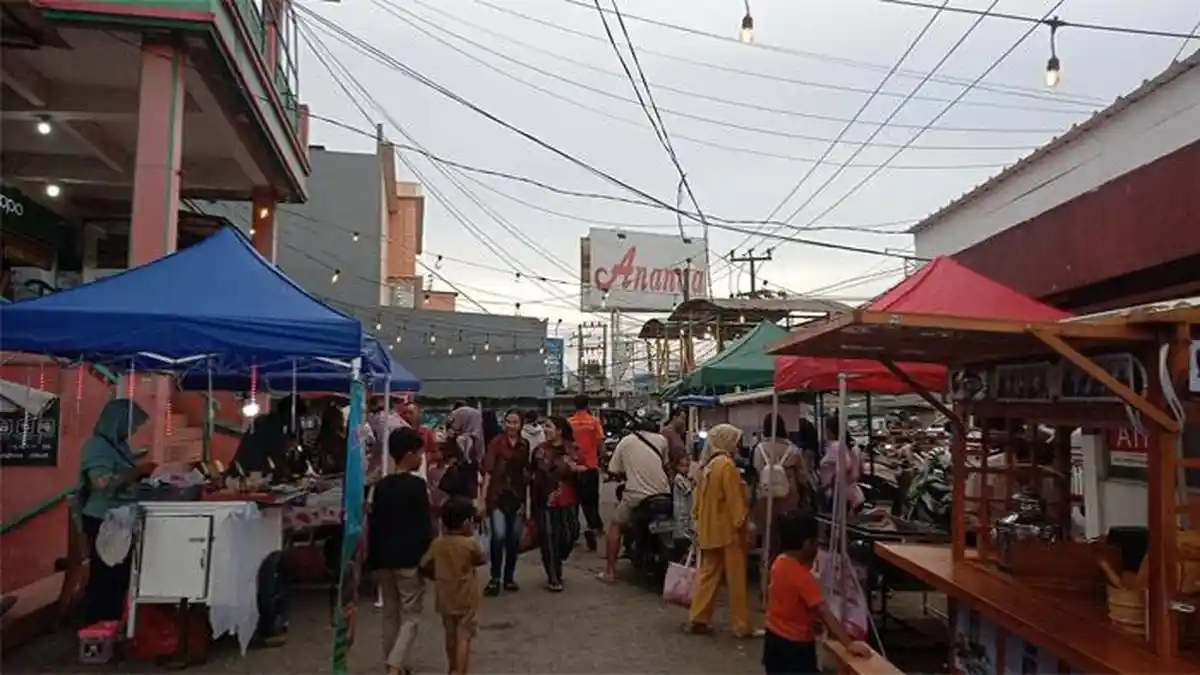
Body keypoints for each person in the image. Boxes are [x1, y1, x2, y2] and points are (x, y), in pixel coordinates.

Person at [764, 512, 871, 674]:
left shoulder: (778, 563)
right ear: (807, 544)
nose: (818, 549)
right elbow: (824, 611)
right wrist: (848, 643)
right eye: (817, 543)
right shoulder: (803, 577)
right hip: (796, 646)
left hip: (773, 638)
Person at [77, 398, 153, 623]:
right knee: (105, 575)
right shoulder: (96, 446)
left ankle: (112, 623)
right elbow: (101, 482)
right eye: (131, 425)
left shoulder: (119, 446)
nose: (133, 430)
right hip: (102, 518)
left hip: (119, 517)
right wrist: (136, 473)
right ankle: (95, 625)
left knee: (119, 575)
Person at [367, 427, 431, 675]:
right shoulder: (417, 487)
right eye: (419, 452)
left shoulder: (380, 486)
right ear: (408, 454)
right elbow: (423, 527)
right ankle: (395, 665)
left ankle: (396, 663)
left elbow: (374, 525)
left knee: (390, 615)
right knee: (411, 615)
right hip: (409, 560)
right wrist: (426, 558)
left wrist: (372, 561)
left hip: (383, 559)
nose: (421, 457)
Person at [686, 423, 759, 638]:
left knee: (708, 574)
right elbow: (734, 501)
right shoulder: (726, 466)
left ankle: (698, 617)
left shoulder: (707, 465)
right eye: (736, 441)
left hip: (709, 529)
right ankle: (741, 625)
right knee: (736, 579)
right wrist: (743, 524)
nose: (738, 446)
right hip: (728, 531)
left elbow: (698, 502)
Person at [598, 419, 669, 582]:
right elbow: (665, 464)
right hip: (664, 493)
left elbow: (613, 469)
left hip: (637, 495)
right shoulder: (661, 440)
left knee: (615, 526)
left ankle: (609, 572)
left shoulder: (626, 442)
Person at [421, 498, 485, 675]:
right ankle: (460, 671)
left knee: (450, 634)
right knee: (464, 636)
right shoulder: (469, 543)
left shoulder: (438, 543)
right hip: (466, 595)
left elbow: (424, 563)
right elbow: (481, 558)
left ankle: (452, 667)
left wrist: (436, 574)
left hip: (444, 595)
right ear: (466, 522)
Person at [479, 409, 530, 595]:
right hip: (497, 496)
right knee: (498, 536)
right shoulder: (496, 443)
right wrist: (482, 500)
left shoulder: (525, 445)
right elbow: (488, 472)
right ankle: (494, 578)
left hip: (517, 497)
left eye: (515, 422)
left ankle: (509, 577)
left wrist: (526, 503)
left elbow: (526, 475)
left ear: (521, 424)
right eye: (508, 421)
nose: (511, 426)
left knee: (514, 540)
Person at [530, 416, 584, 591]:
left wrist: (578, 470)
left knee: (570, 533)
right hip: (545, 499)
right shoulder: (539, 450)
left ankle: (557, 559)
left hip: (568, 498)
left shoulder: (572, 448)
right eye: (544, 426)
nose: (545, 430)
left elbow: (582, 468)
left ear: (559, 430)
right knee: (548, 537)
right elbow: (534, 474)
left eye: (548, 426)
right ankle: (553, 576)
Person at [754, 415, 812, 560]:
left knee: (769, 534)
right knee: (788, 534)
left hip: (765, 498)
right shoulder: (793, 450)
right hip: (789, 498)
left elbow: (756, 472)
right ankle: (786, 567)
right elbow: (803, 477)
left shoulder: (758, 449)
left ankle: (769, 568)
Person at [228, 396, 298, 480]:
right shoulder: (270, 425)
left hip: (243, 469)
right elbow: (276, 453)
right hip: (248, 474)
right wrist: (287, 474)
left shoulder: (266, 421)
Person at [567, 394, 605, 550]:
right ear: (587, 405)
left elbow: (566, 444)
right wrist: (600, 458)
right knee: (591, 502)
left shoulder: (569, 423)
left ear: (574, 406)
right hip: (590, 467)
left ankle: (573, 532)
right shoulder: (593, 422)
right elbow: (600, 443)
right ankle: (593, 527)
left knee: (573, 502)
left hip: (573, 468)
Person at [818, 416, 864, 512]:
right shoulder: (852, 448)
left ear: (829, 430)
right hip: (849, 493)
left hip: (836, 495)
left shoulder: (836, 446)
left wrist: (830, 484)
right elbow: (857, 472)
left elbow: (845, 467)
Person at [314, 405, 348, 474]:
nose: (343, 420)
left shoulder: (323, 437)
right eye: (340, 417)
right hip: (334, 474)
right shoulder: (332, 438)